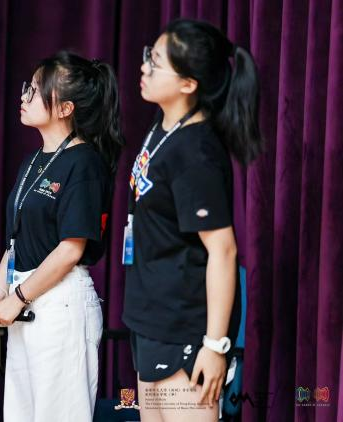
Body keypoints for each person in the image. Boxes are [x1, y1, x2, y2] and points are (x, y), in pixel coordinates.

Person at [0, 50, 125, 422]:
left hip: (60, 306)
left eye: (35, 91)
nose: (24, 97)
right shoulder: (33, 161)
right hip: (26, 301)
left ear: (66, 108)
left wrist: (18, 297)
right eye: (28, 88)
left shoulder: (84, 163)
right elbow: (16, 243)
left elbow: (70, 250)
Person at [123, 18, 264, 421]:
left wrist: (215, 346)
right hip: (151, 319)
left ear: (188, 84)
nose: (144, 67)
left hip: (184, 328)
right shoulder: (164, 125)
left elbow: (223, 251)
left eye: (156, 62)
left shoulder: (196, 153)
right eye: (148, 56)